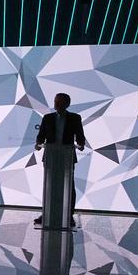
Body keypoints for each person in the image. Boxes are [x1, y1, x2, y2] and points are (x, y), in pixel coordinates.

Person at [34, 92, 86, 226]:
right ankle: (46, 213)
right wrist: (38, 144)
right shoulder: (47, 117)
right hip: (51, 156)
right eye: (56, 101)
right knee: (49, 184)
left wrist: (81, 144)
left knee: (69, 185)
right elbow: (41, 135)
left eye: (60, 102)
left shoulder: (75, 118)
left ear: (67, 104)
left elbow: (80, 134)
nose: (56, 104)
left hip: (66, 156)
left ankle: (69, 215)